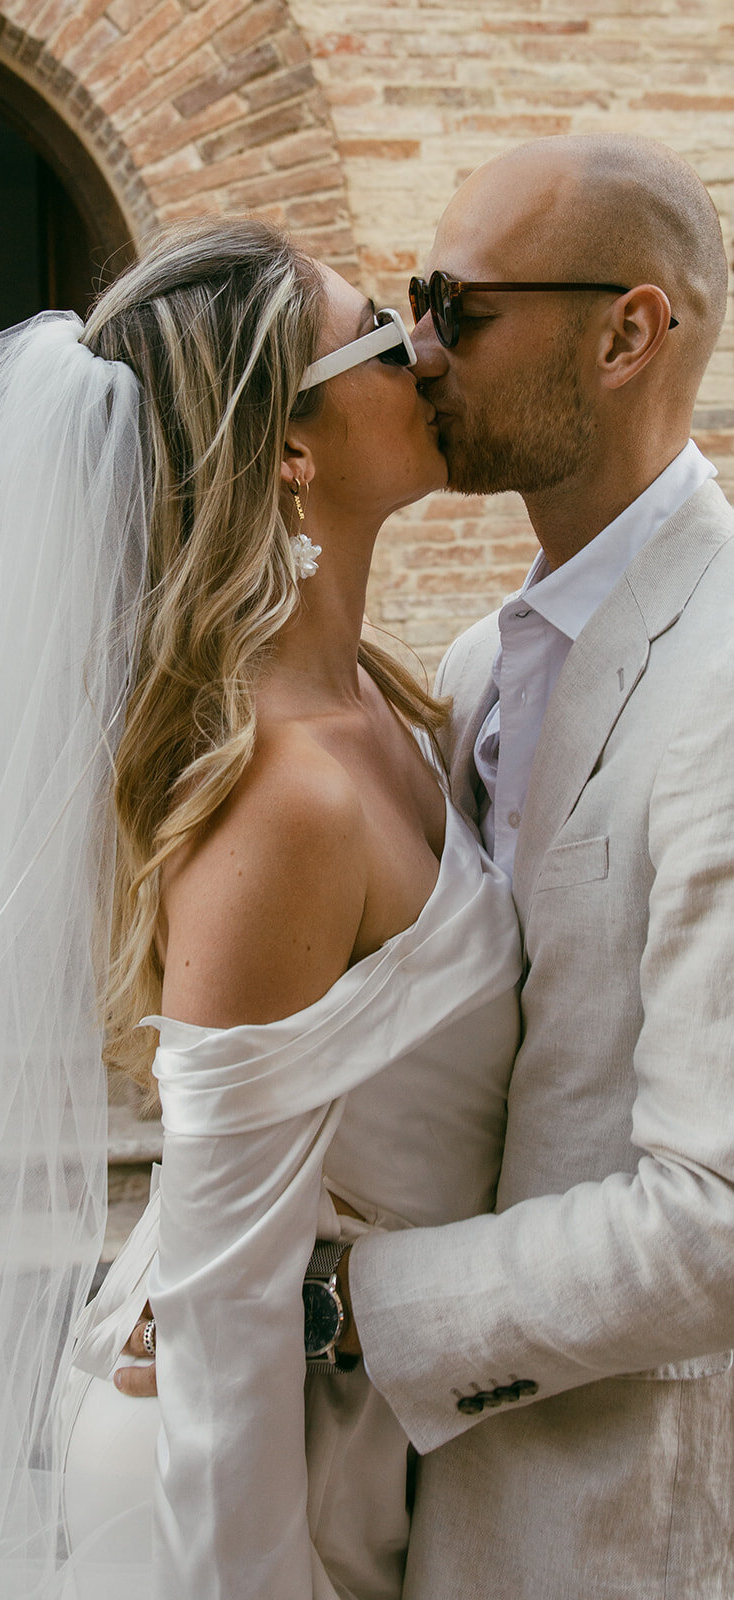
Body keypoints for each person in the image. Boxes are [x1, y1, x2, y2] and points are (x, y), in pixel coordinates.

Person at [0, 219, 521, 1600]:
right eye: (382, 330)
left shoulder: (396, 700)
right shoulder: (285, 804)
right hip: (251, 1493)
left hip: (370, 1433)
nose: (428, 349)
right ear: (288, 451)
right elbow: (226, 1321)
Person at [334, 135, 734, 1597]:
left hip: (626, 1523)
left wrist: (342, 1308)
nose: (419, 350)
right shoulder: (471, 670)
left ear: (628, 332)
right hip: (408, 1506)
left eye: (460, 306)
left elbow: (718, 1219)